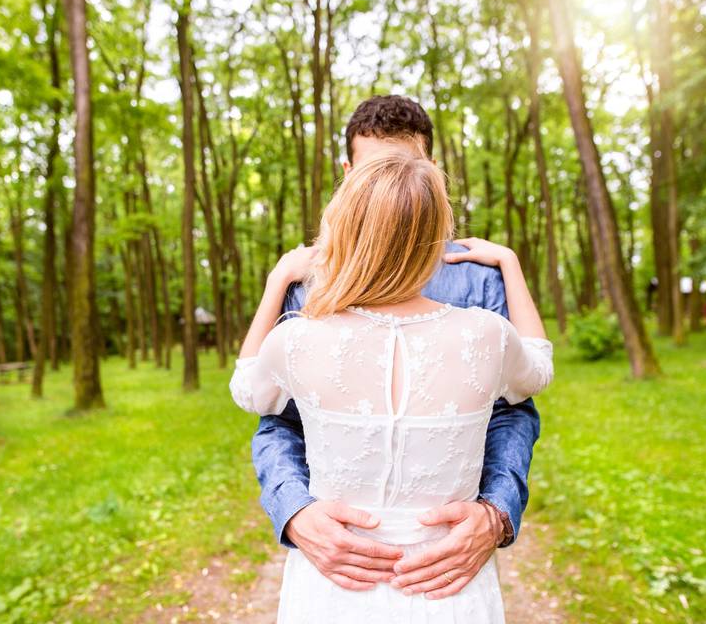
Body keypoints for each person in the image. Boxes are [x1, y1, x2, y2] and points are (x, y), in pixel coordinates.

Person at [229, 141, 553, 620]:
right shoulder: (487, 335)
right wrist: (509, 262)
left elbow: (246, 386)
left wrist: (278, 279)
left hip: (335, 592)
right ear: (438, 236)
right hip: (449, 591)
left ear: (342, 230)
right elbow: (539, 368)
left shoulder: (296, 338)